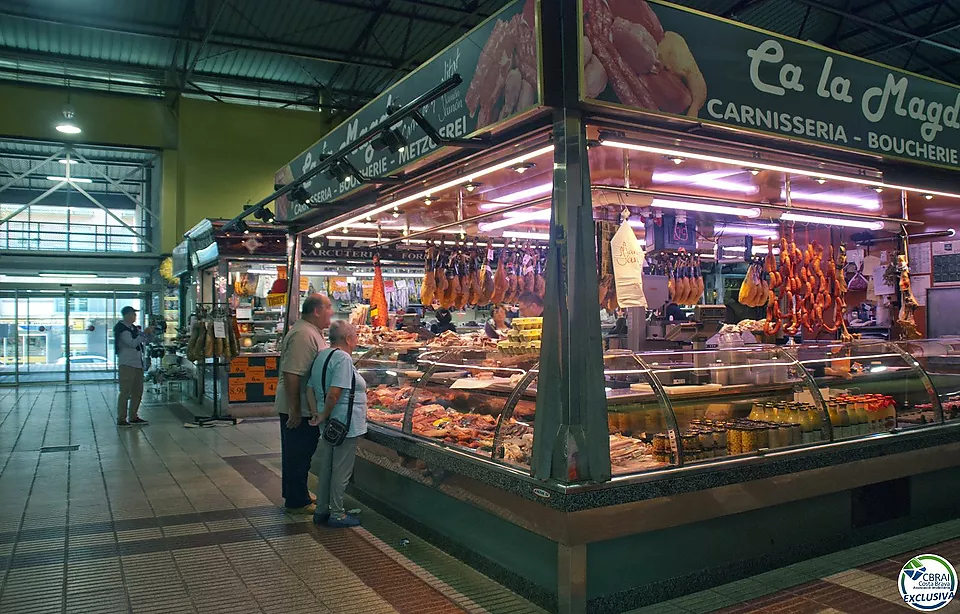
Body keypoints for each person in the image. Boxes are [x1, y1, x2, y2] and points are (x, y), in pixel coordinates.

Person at [275, 293, 334, 513]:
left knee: (301, 452)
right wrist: (295, 410)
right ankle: (297, 500)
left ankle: (296, 493)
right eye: (328, 307)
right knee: (297, 452)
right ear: (316, 311)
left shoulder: (312, 331)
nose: (332, 311)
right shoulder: (303, 334)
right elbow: (292, 374)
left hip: (304, 405)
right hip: (298, 406)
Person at [307, 320, 367, 528]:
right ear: (348, 339)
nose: (357, 340)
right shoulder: (342, 358)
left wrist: (318, 413)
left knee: (327, 467)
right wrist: (324, 414)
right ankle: (338, 514)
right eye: (356, 336)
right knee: (341, 471)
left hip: (331, 422)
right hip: (344, 423)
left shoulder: (322, 355)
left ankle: (322, 510)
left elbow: (310, 389)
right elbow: (335, 393)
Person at [115, 306, 153, 427]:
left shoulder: (133, 328)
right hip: (127, 364)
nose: (135, 316)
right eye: (133, 314)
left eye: (135, 314)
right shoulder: (122, 329)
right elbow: (132, 343)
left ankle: (133, 416)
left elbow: (142, 341)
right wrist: (143, 334)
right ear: (126, 315)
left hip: (137, 363)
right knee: (125, 392)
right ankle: (121, 418)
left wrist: (148, 334)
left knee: (137, 391)